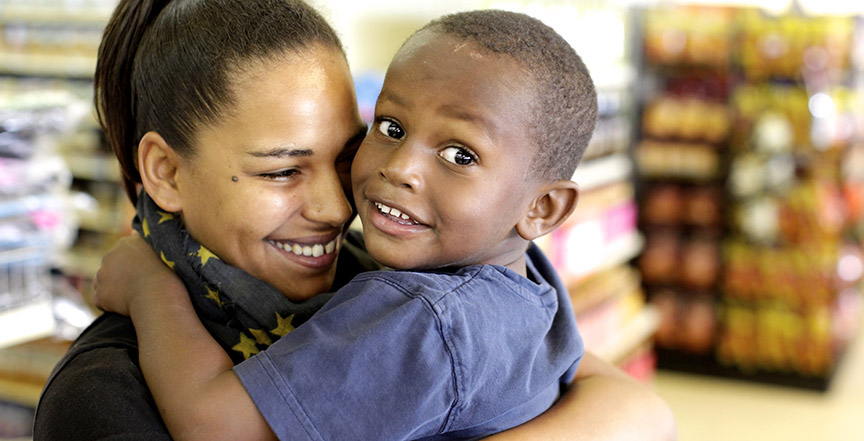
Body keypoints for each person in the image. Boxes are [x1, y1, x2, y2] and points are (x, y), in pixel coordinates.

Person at [35, 0, 677, 440]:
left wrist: (150, 285)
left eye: (343, 157)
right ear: (166, 173)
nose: (341, 209)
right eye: (281, 170)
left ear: (540, 209)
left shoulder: (415, 306)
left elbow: (634, 405)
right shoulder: (106, 397)